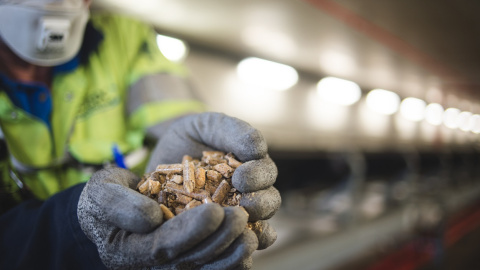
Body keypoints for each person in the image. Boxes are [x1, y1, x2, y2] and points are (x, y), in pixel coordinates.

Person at [0, 0, 281, 269]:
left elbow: (178, 113)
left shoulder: (125, 36)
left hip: (155, 244)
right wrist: (75, 227)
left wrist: (204, 144)